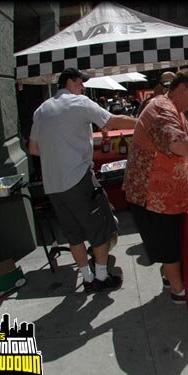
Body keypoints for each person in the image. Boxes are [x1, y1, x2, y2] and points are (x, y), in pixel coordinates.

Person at [28, 67, 138, 293]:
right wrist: (141, 121)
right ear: (70, 82)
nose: (84, 86)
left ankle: (87, 279)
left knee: (73, 235)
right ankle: (101, 276)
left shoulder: (41, 110)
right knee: (100, 229)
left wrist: (61, 151)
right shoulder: (79, 102)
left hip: (53, 184)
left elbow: (34, 149)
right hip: (78, 178)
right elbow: (112, 122)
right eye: (81, 82)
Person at [122, 69, 188, 304]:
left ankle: (168, 277)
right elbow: (176, 143)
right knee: (169, 244)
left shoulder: (178, 110)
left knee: (172, 237)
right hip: (152, 192)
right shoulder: (161, 109)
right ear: (180, 88)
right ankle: (178, 290)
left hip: (166, 192)